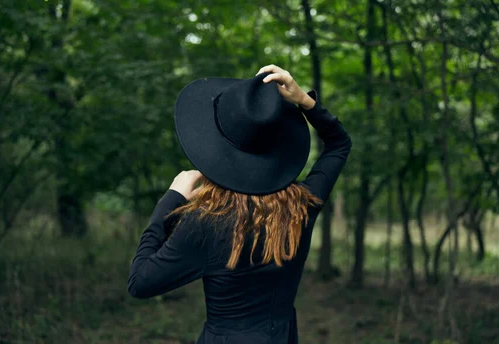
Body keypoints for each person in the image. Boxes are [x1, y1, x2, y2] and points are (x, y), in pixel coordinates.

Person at [127, 64, 352, 343]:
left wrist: (172, 198)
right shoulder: (302, 206)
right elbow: (339, 143)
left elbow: (140, 282)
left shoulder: (205, 223)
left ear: (217, 150)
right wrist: (304, 101)